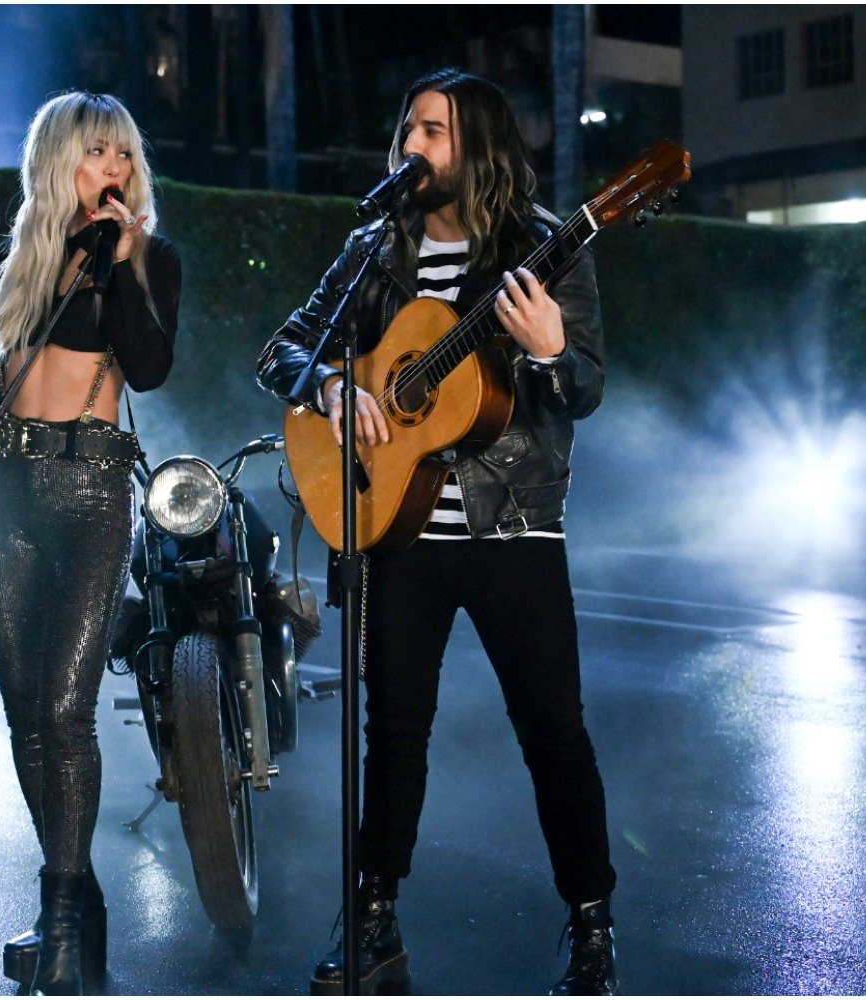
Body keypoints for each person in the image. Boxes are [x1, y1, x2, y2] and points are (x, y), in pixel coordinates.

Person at [255, 68, 618, 995]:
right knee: (395, 732)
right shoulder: (380, 246)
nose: (413, 145)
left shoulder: (546, 248)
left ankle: (590, 925)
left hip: (516, 531)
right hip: (398, 527)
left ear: (479, 146)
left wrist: (548, 353)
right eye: (408, 127)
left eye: (434, 130)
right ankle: (372, 919)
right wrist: (333, 387)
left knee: (554, 733)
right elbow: (284, 349)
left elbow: (586, 387)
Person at [0, 91, 179, 996]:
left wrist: (117, 266)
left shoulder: (149, 261)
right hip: (6, 497)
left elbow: (148, 367)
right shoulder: (16, 261)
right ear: (56, 162)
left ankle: (65, 920)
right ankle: (75, 910)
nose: (111, 170)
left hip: (88, 492)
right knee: (25, 714)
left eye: (122, 155)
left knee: (66, 715)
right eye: (93, 154)